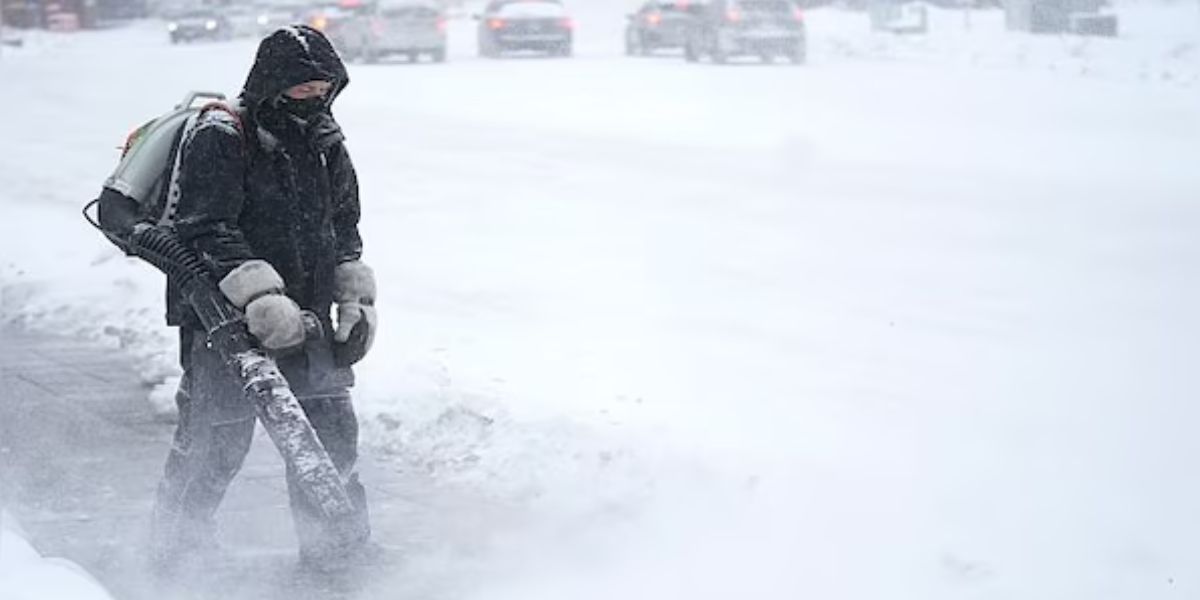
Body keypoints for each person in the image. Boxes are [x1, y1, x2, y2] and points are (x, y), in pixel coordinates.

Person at [149, 25, 377, 571]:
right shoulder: (221, 135)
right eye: (302, 88)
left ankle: (337, 552)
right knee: (215, 442)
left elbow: (344, 222)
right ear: (273, 83)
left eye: (324, 87)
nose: (314, 97)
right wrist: (260, 296)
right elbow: (204, 228)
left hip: (310, 315)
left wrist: (353, 295)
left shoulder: (325, 140)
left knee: (331, 436)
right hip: (223, 318)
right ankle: (175, 554)